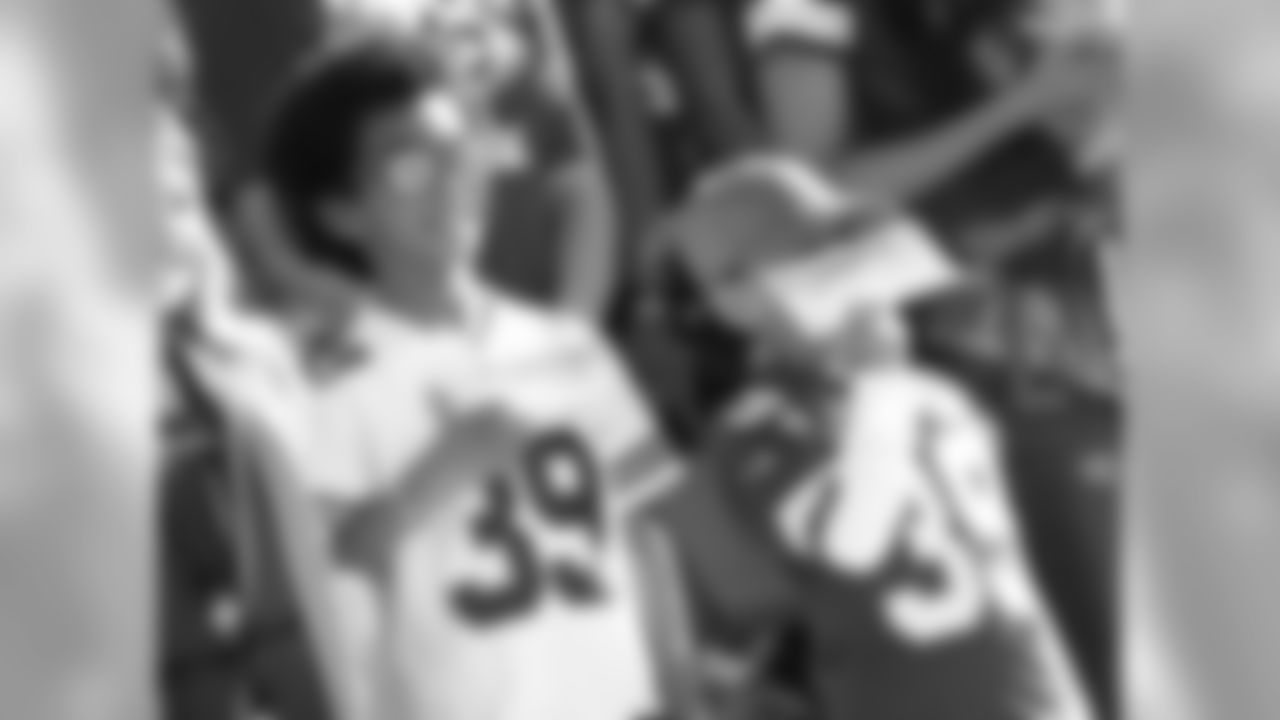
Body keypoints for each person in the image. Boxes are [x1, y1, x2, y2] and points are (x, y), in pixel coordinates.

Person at [194, 35, 696, 720]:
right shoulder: (330, 388)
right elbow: (331, 582)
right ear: (341, 213)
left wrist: (681, 690)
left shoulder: (569, 345)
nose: (451, 182)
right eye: (410, 166)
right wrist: (440, 473)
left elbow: (644, 536)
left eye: (461, 152)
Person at [660, 139, 1096, 719]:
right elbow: (854, 548)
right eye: (812, 250)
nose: (848, 262)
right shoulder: (762, 425)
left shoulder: (931, 393)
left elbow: (1009, 588)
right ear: (735, 298)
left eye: (845, 239)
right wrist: (879, 385)